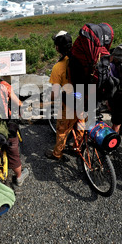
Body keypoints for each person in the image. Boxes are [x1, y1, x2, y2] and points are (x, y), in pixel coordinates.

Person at [45, 31, 85, 161]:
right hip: (84, 97)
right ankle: (76, 147)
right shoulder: (80, 58)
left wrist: (49, 99)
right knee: (80, 122)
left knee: (62, 130)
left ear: (57, 48)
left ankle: (57, 154)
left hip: (69, 102)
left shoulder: (58, 67)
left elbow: (55, 93)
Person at [0, 61, 29, 187]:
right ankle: (19, 177)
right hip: (4, 123)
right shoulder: (4, 85)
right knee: (13, 147)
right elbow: (17, 102)